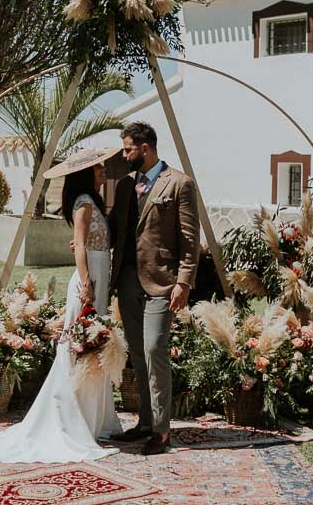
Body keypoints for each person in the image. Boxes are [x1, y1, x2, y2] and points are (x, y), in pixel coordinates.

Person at [0, 147, 123, 463]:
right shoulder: (83, 203)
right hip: (89, 282)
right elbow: (80, 246)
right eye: (98, 168)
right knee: (80, 351)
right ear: (85, 173)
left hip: (99, 277)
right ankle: (70, 422)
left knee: (94, 351)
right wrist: (86, 285)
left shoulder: (93, 201)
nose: (103, 171)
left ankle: (92, 420)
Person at [109, 122, 200, 456]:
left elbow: (190, 240)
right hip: (127, 282)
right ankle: (145, 423)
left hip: (162, 283)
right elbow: (114, 230)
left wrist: (184, 282)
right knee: (138, 355)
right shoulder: (123, 187)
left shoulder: (179, 183)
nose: (124, 154)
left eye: (128, 149)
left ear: (145, 148)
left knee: (153, 350)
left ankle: (161, 431)